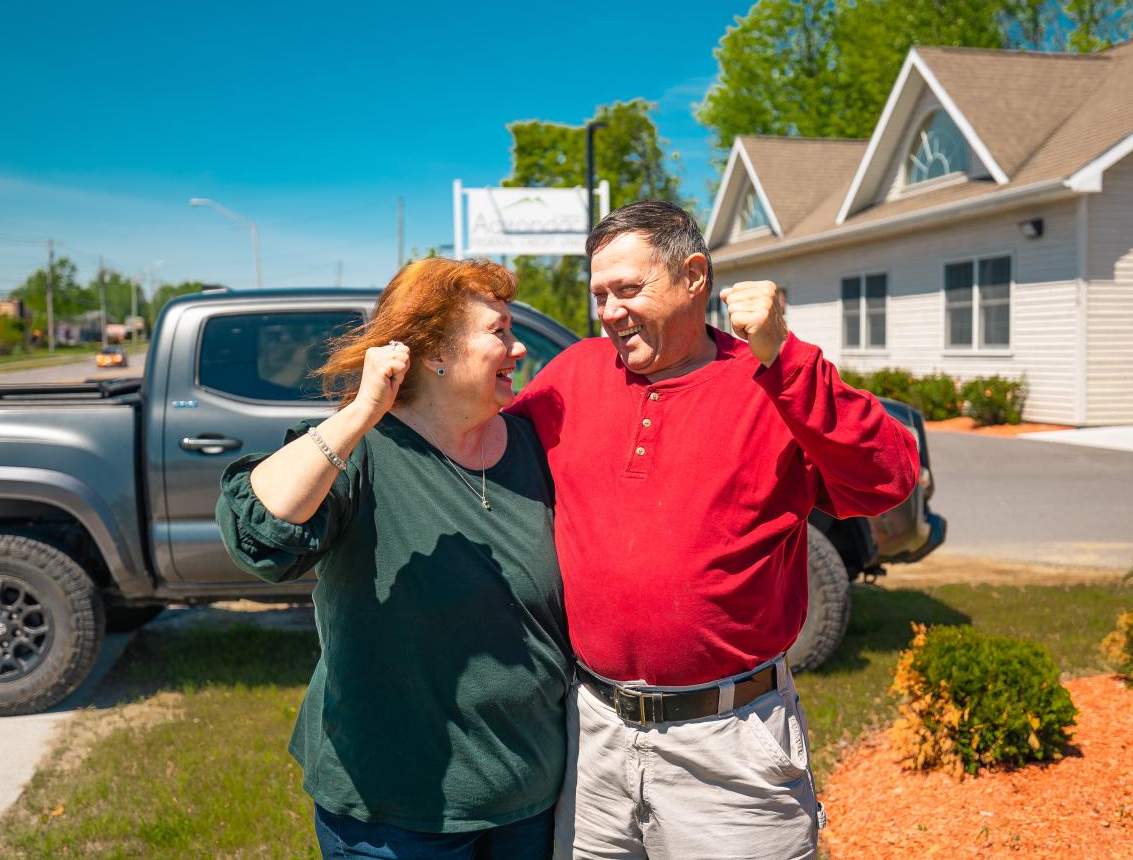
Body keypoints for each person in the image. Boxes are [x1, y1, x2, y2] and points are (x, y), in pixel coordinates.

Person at [506, 201, 920, 859]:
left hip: (730, 746)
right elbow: (481, 453)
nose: (609, 311)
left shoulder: (770, 381)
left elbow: (887, 478)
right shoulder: (573, 374)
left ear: (694, 276)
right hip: (594, 738)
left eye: (628, 290)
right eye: (599, 295)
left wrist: (783, 354)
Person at [216, 259, 571, 860]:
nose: (516, 349)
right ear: (434, 351)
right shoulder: (363, 449)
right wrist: (359, 411)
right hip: (394, 812)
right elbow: (261, 535)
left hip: (527, 796)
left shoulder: (533, 446)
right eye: (498, 331)